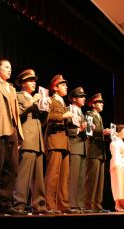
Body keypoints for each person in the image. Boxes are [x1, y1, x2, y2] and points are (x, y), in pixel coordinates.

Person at [0, 59, 26, 216]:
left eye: (10, 67)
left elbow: (15, 112)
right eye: (6, 67)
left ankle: (5, 203)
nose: (9, 70)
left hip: (13, 131)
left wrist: (19, 135)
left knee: (11, 169)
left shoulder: (11, 88)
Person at [13, 69, 51, 215]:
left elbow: (41, 123)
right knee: (23, 175)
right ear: (22, 83)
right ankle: (19, 205)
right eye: (30, 80)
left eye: (35, 81)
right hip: (27, 139)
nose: (34, 83)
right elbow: (18, 114)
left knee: (38, 178)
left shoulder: (35, 99)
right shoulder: (19, 96)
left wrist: (45, 110)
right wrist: (32, 101)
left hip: (38, 140)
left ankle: (39, 205)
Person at [44, 74, 73, 214]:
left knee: (64, 176)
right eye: (63, 84)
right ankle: (50, 205)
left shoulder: (64, 103)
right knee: (52, 175)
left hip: (65, 142)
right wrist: (63, 116)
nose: (66, 86)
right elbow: (46, 116)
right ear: (55, 87)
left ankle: (63, 205)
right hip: (54, 141)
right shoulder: (50, 100)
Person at [84, 93, 111, 213]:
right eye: (99, 102)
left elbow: (98, 132)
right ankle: (88, 205)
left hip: (100, 151)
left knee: (100, 181)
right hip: (93, 151)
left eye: (102, 103)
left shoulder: (99, 116)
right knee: (92, 180)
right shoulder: (89, 114)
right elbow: (89, 131)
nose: (102, 104)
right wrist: (103, 131)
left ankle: (97, 205)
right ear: (93, 104)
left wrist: (107, 134)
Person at [67, 87, 89, 214]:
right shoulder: (70, 109)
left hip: (83, 147)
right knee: (74, 177)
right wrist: (79, 130)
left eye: (84, 96)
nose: (84, 98)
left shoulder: (82, 112)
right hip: (74, 146)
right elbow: (68, 130)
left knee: (81, 178)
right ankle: (72, 204)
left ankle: (80, 204)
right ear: (74, 99)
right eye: (81, 96)